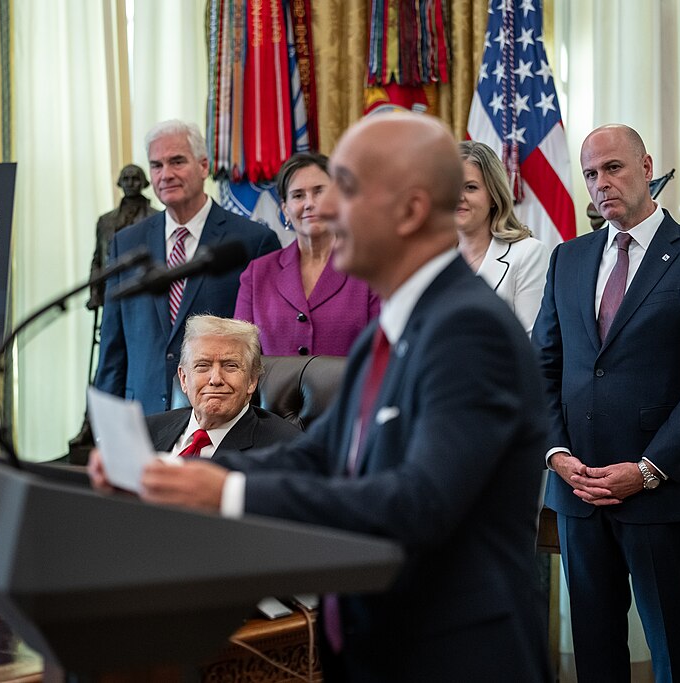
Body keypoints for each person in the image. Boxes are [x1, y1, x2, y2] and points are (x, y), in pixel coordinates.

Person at [113, 113, 552, 682]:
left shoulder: (470, 330)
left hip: (452, 651)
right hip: (377, 644)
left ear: (413, 209)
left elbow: (420, 503)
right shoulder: (387, 327)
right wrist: (183, 476)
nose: (322, 210)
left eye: (344, 189)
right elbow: (323, 453)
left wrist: (230, 489)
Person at [532, 124, 680, 682]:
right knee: (596, 653)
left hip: (656, 490)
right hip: (578, 491)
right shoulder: (567, 260)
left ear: (647, 167)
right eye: (591, 174)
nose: (602, 184)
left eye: (614, 168)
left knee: (671, 645)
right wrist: (556, 453)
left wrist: (647, 470)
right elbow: (542, 370)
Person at [94, 120, 281, 415]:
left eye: (177, 161)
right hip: (144, 416)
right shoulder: (126, 243)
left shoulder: (253, 242)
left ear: (204, 165)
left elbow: (265, 346)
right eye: (156, 165)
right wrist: (105, 425)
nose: (165, 174)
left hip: (221, 420)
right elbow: (113, 347)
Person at [88, 316, 301, 484]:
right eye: (202, 366)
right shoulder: (144, 431)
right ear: (183, 378)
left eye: (230, 366)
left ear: (252, 380)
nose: (215, 379)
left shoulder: (285, 448)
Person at [235, 152, 380, 356]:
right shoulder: (256, 274)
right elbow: (240, 356)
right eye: (298, 195)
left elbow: (383, 354)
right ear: (285, 210)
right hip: (270, 389)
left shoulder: (370, 269)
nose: (309, 203)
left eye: (319, 191)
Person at [455, 140, 550, 336]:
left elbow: (530, 344)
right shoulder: (432, 258)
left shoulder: (528, 254)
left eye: (471, 187)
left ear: (493, 196)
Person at [86, 164, 159, 309]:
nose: (130, 183)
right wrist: (94, 293)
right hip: (112, 289)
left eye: (135, 179)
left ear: (144, 182)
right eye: (126, 179)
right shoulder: (105, 221)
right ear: (120, 182)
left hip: (145, 291)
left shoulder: (156, 218)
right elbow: (98, 261)